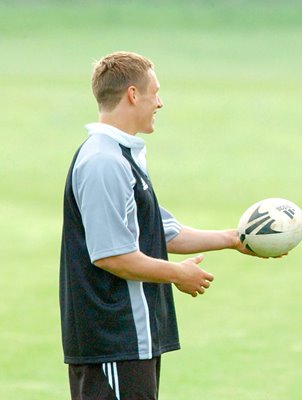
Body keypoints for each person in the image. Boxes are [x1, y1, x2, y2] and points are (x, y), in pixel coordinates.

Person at [60, 51, 257, 399]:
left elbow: (163, 232)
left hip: (132, 340)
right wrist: (177, 274)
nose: (160, 102)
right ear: (133, 94)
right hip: (113, 339)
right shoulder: (103, 162)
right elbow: (112, 256)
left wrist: (233, 238)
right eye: (155, 91)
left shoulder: (122, 156)